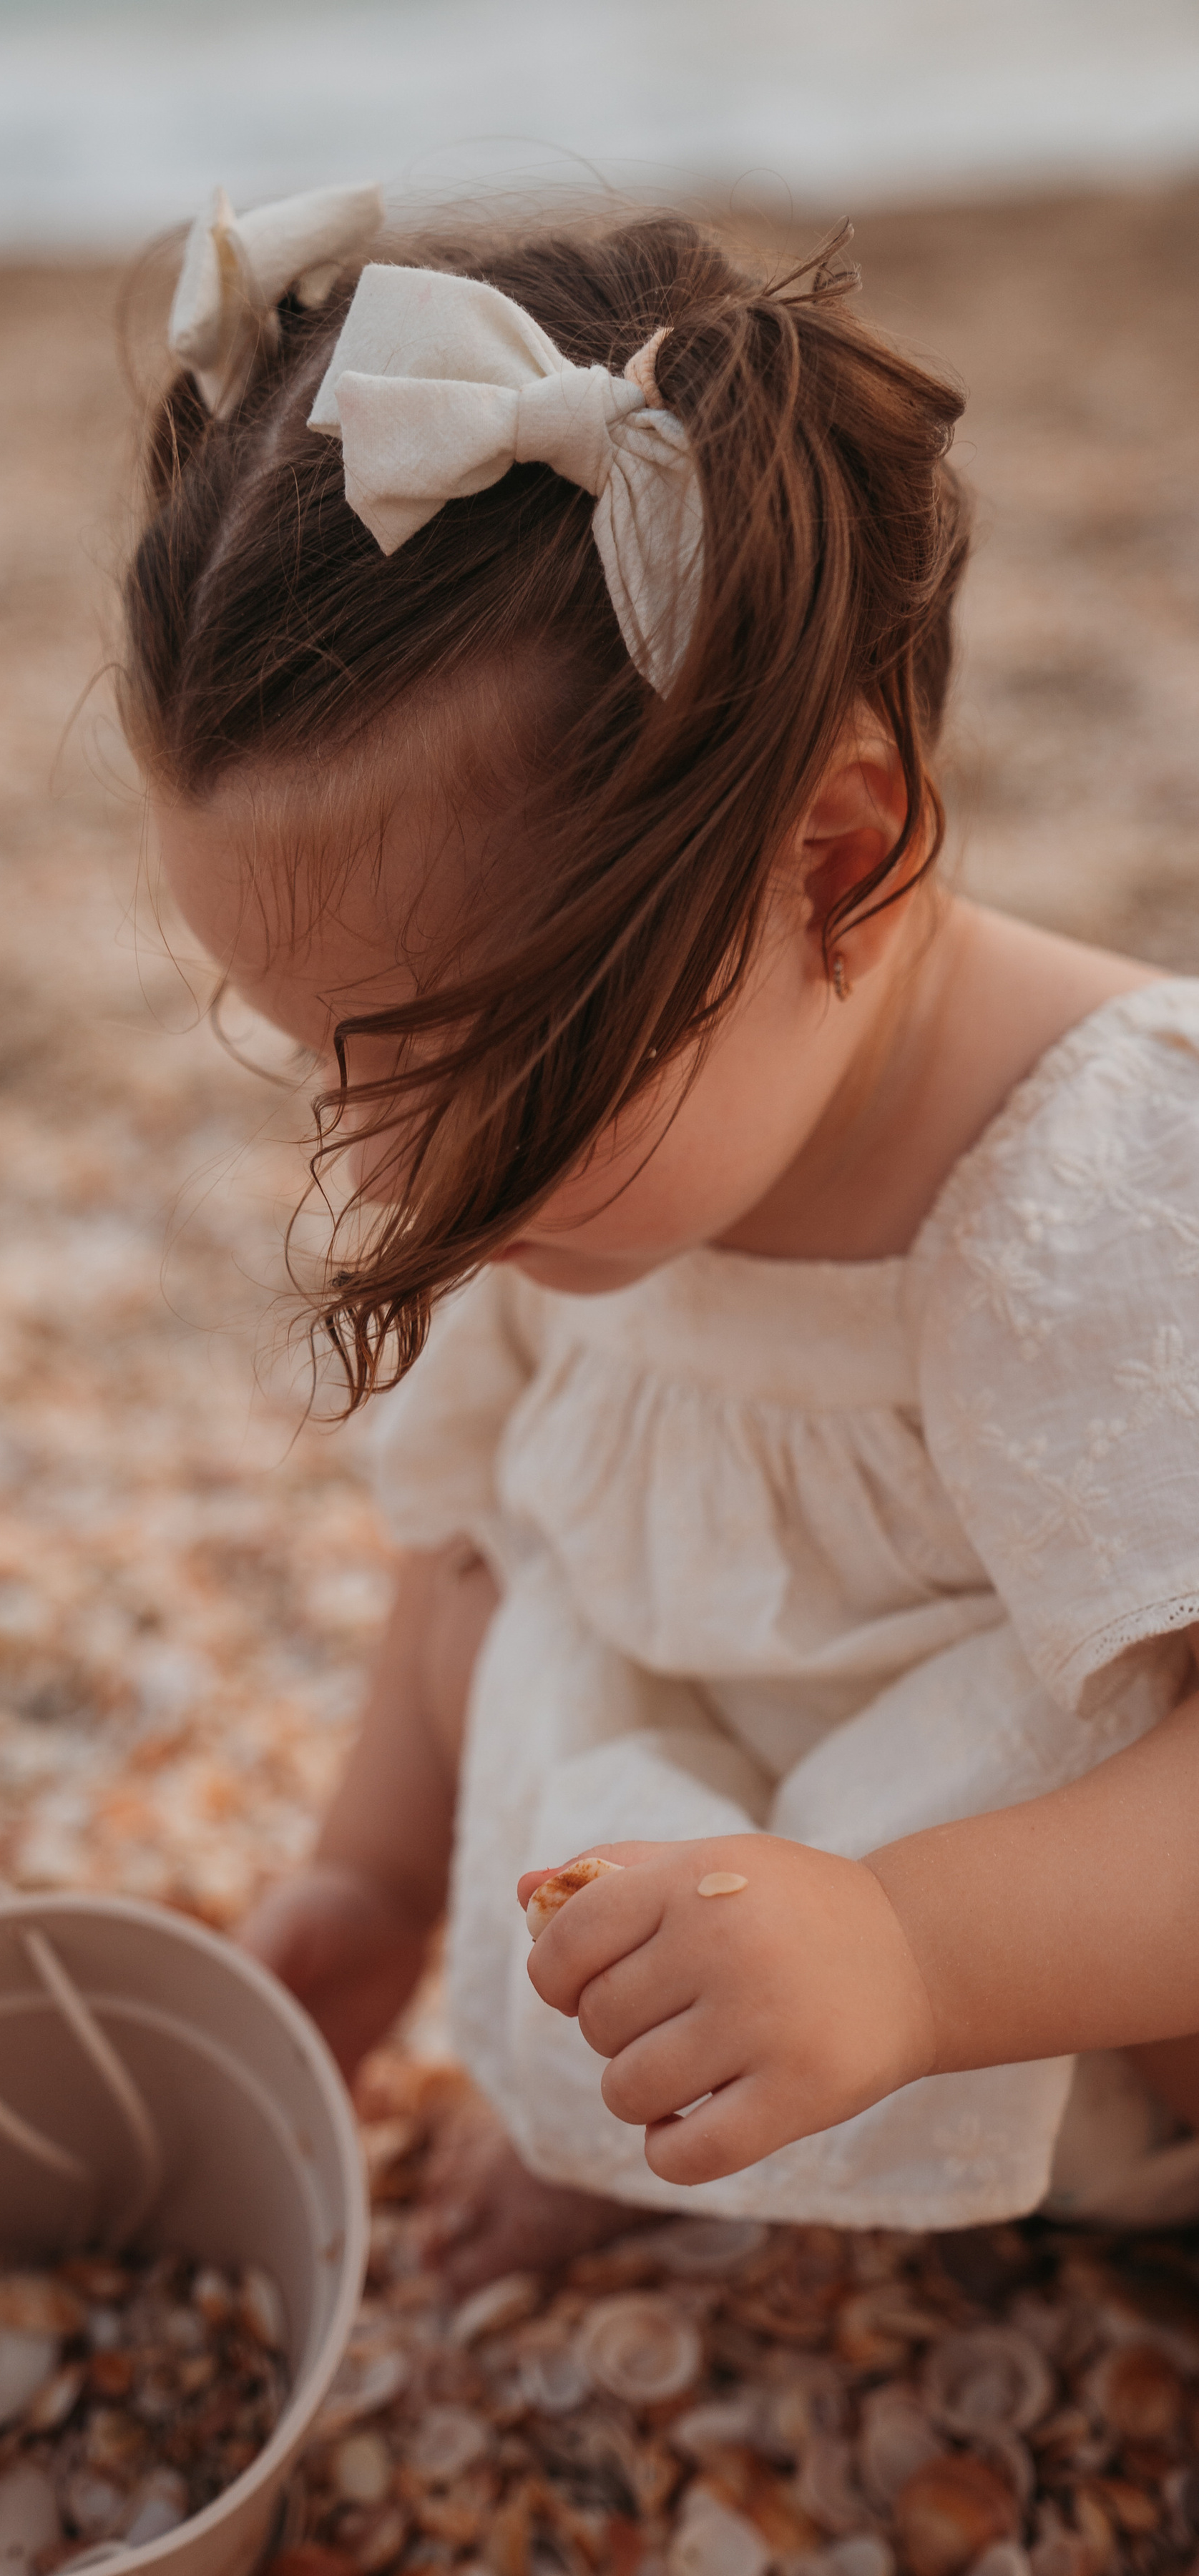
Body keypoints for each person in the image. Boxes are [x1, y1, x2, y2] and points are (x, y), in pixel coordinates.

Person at [121, 185, 1199, 2290]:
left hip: (1088, 1993)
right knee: (516, 1584)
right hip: (768, 1915)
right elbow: (466, 1566)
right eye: (314, 1053)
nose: (385, 1163)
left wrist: (907, 1953)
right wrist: (370, 1886)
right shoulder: (588, 1194)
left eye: (457, 1060)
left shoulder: (1104, 1188)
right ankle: (670, 2109)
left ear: (834, 865)